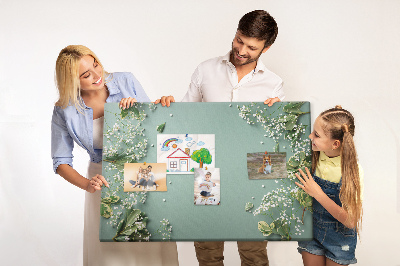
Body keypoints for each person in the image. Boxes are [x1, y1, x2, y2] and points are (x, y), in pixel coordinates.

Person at [157, 9, 283, 266]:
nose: (241, 50)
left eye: (251, 47)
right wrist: (167, 106)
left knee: (254, 251)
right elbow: (183, 118)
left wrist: (277, 118)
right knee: (208, 250)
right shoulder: (205, 70)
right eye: (239, 40)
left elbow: (275, 142)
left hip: (250, 172)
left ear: (265, 49)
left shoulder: (274, 84)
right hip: (207, 170)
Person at [51, 45, 178, 266]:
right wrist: (87, 184)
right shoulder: (65, 109)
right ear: (71, 81)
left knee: (151, 241)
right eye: (86, 74)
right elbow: (61, 162)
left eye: (96, 65)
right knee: (112, 251)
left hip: (143, 170)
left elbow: (155, 129)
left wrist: (148, 108)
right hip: (102, 179)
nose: (97, 75)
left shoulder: (125, 81)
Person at [295, 105, 363, 266]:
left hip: (340, 239)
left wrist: (318, 194)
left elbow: (351, 221)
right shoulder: (313, 156)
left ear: (335, 144)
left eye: (317, 135)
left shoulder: (353, 171)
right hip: (311, 233)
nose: (311, 136)